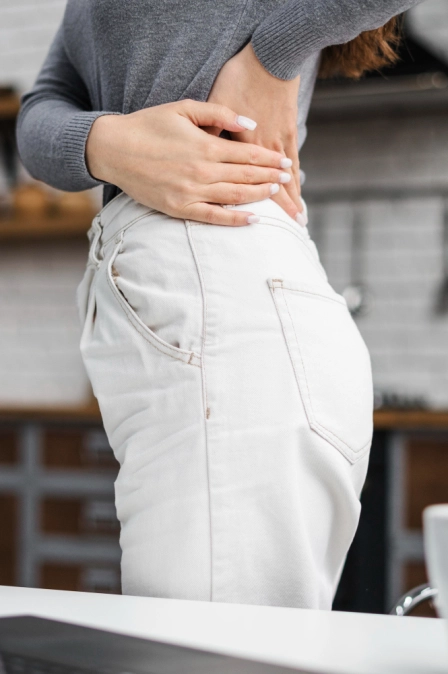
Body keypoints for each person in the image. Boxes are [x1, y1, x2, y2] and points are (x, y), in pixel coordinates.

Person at [17, 0, 423, 610]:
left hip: (224, 287)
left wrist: (272, 55)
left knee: (206, 645)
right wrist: (108, 143)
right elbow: (40, 110)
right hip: (201, 298)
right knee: (208, 640)